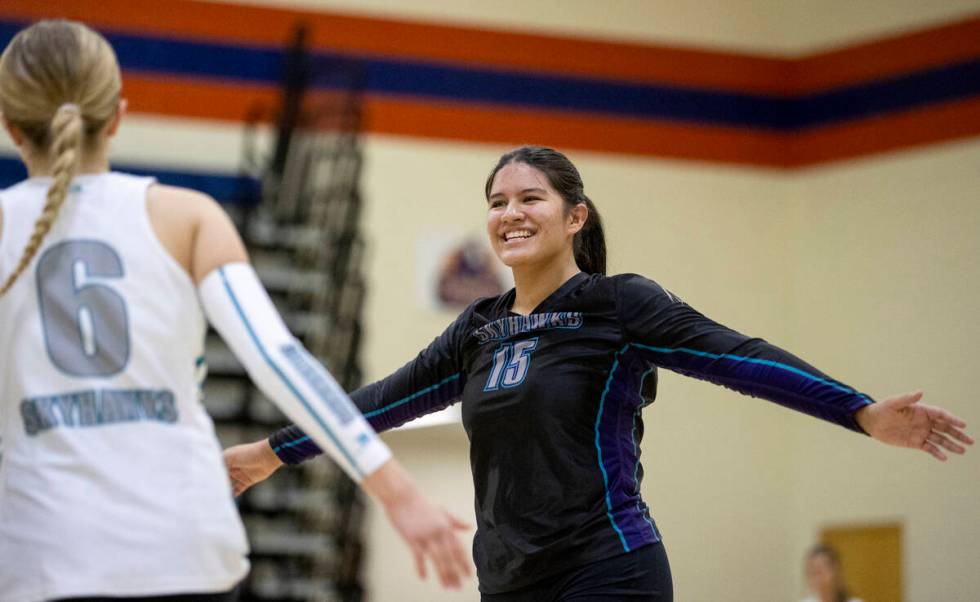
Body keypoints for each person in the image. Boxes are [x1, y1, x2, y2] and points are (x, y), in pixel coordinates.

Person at [223, 145, 973, 601]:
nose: (509, 214)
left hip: (607, 570)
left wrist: (860, 411)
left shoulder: (619, 305)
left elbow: (739, 356)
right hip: (508, 582)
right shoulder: (476, 330)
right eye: (496, 203)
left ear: (574, 217)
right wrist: (268, 455)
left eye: (529, 199)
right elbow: (373, 406)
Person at [0, 20, 470, 602]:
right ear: (118, 115)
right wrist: (397, 491)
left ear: (10, 126)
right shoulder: (187, 216)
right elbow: (281, 360)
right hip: (181, 549)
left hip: (41, 556)